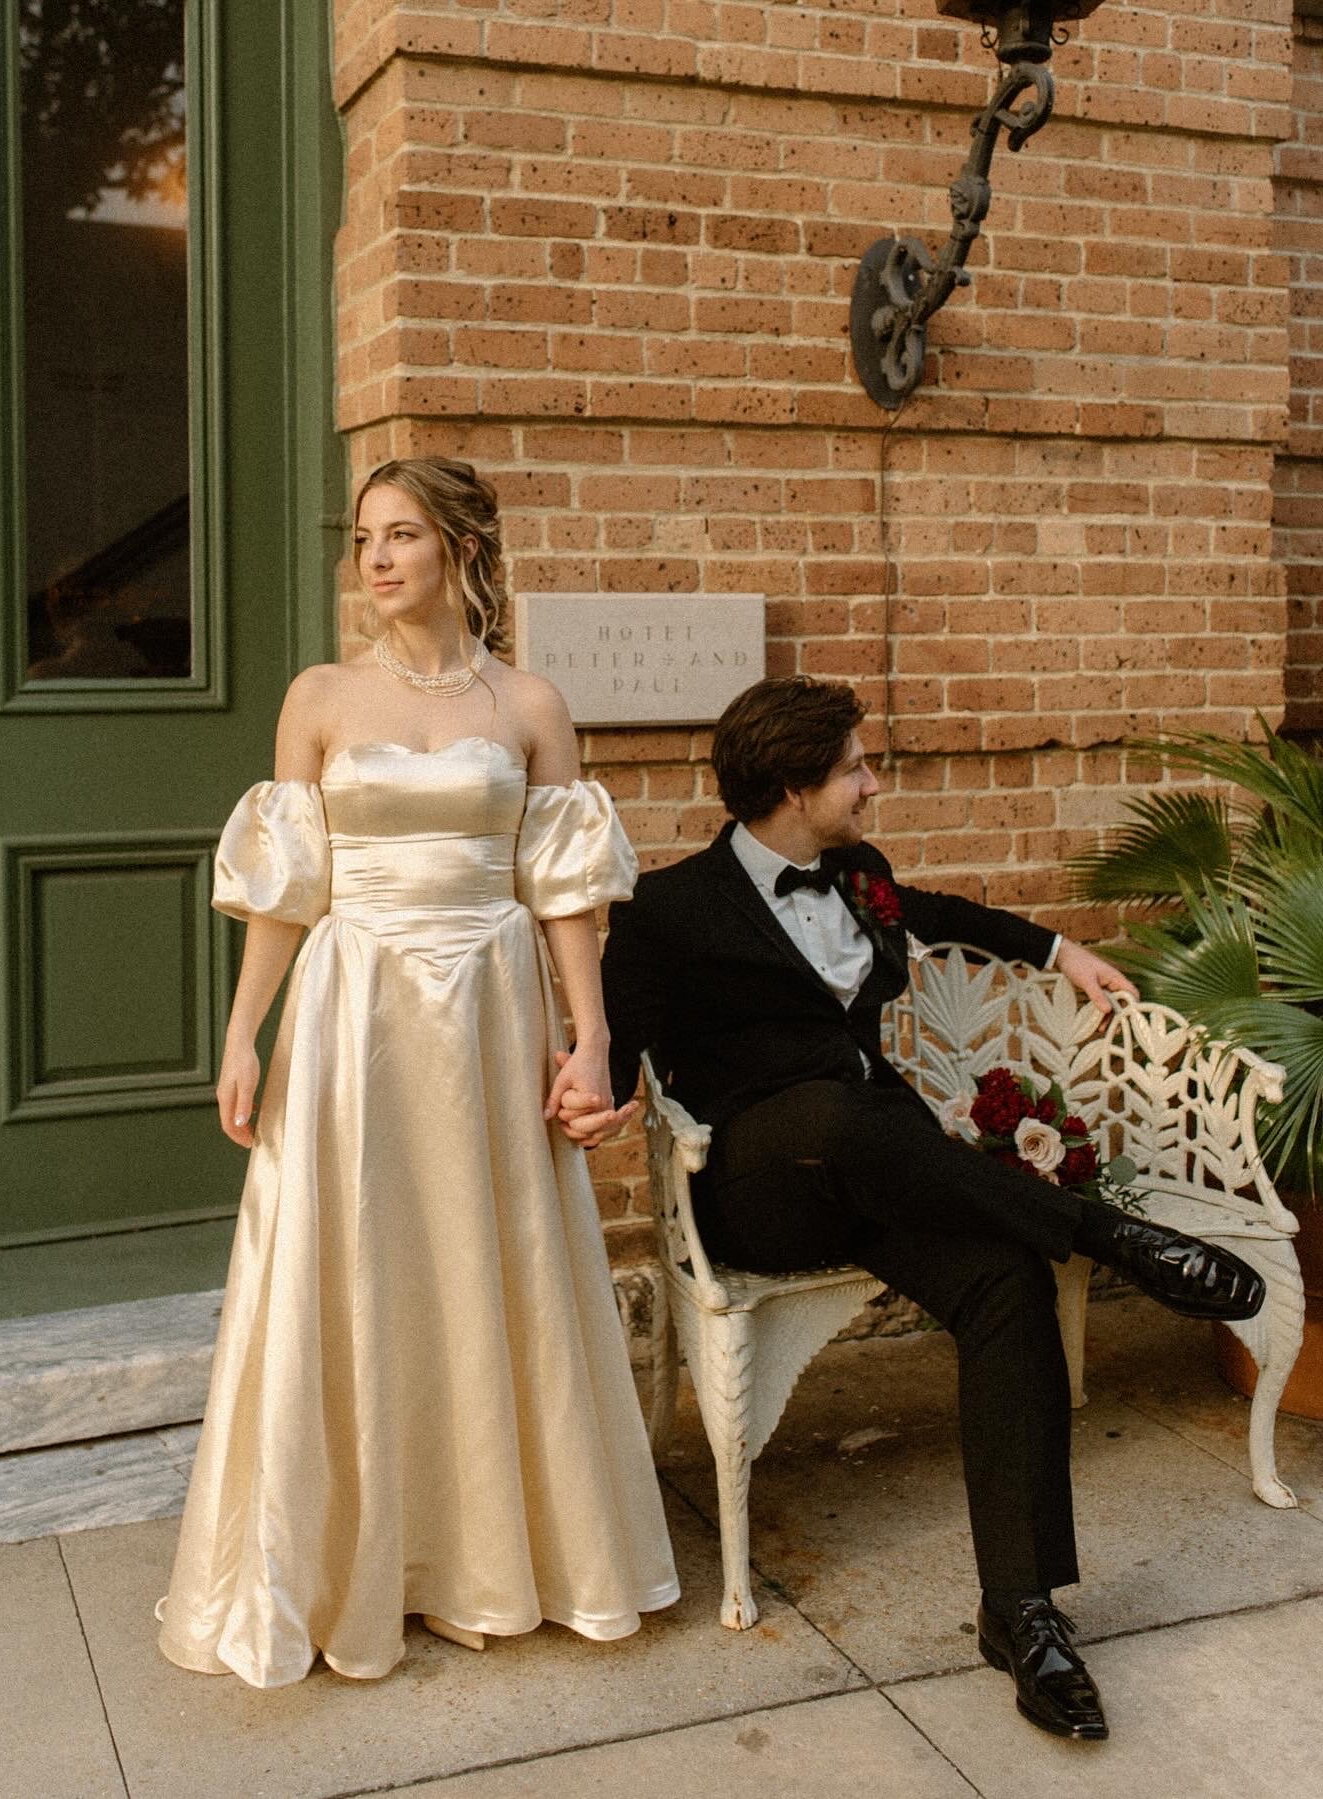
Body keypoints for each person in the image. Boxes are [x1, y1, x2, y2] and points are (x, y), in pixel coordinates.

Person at [586, 675, 1264, 1743]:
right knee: (838, 1113)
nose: (873, 781)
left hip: (889, 1171)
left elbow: (942, 916)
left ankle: (1023, 1610)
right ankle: (1112, 1234)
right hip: (770, 1186)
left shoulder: (858, 874)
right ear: (792, 787)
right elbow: (617, 1050)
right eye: (855, 767)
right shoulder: (669, 910)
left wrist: (1058, 949)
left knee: (1004, 1280)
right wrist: (589, 1083)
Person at [155, 457, 678, 1687]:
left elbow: (563, 898)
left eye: (401, 535)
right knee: (349, 1268)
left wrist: (589, 1039)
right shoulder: (321, 697)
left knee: (489, 1268)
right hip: (353, 1018)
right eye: (364, 538)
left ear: (461, 549)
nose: (375, 559)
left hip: (492, 1017)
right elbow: (289, 888)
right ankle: (344, 1570)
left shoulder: (532, 704)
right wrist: (245, 1032)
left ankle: (493, 1559)